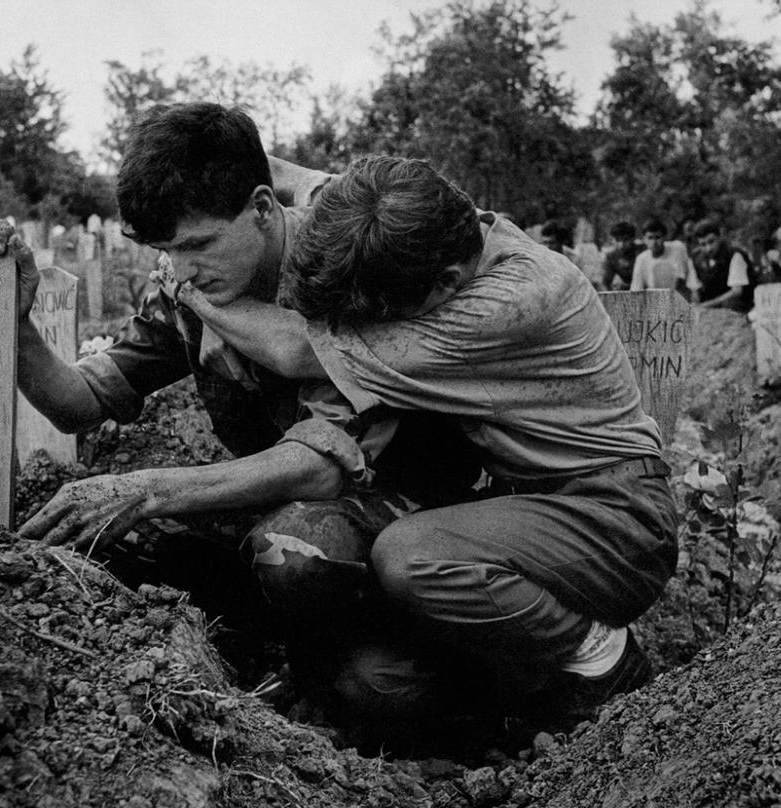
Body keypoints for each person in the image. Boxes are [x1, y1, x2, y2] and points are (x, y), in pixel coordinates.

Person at [0, 103, 481, 716]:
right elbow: (80, 402)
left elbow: (325, 466)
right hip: (287, 502)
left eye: (198, 245)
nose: (183, 269)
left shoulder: (347, 262)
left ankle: (375, 670)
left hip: (413, 515)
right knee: (107, 534)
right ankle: (269, 652)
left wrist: (145, 487)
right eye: (166, 250)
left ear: (261, 207)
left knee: (304, 565)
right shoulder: (185, 281)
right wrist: (16, 321)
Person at [176, 156, 678, 726]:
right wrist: (196, 215)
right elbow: (288, 172)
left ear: (446, 284)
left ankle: (598, 654)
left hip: (613, 521)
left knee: (410, 558)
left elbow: (294, 349)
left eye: (383, 318)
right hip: (521, 510)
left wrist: (190, 293)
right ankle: (515, 694)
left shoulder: (504, 304)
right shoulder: (427, 223)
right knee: (378, 685)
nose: (370, 324)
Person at [692, 219, 754, 311]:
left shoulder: (734, 254)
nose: (708, 248)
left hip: (739, 307)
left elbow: (736, 292)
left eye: (711, 242)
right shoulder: (697, 258)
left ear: (719, 237)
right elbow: (696, 288)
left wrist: (705, 305)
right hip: (710, 308)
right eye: (703, 244)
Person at [630, 219, 700, 299]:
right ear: (644, 239)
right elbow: (636, 290)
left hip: (680, 296)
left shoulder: (677, 248)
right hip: (656, 299)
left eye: (657, 237)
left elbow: (680, 281)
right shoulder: (641, 259)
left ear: (665, 237)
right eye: (650, 238)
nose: (654, 242)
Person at [600, 221, 640, 291]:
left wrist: (627, 286)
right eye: (618, 240)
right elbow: (605, 283)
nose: (621, 244)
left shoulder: (641, 253)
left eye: (626, 240)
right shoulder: (611, 257)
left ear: (633, 239)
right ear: (612, 240)